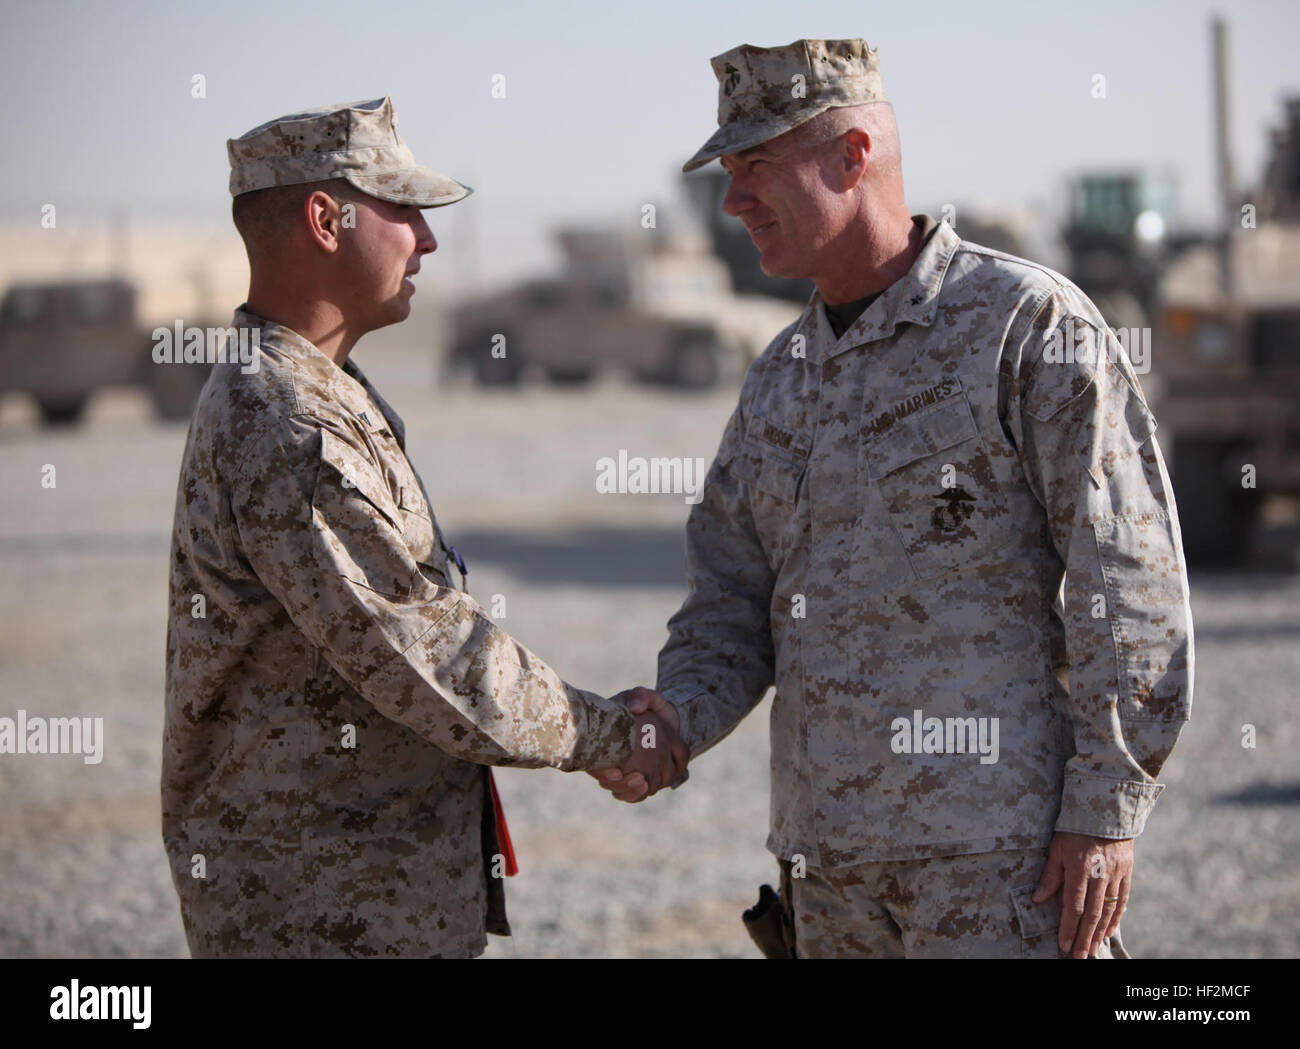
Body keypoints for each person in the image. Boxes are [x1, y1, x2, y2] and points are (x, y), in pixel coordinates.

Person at [591, 39, 1193, 959]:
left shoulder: (1025, 328)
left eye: (756, 166)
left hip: (1002, 869)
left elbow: (1127, 578)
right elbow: (730, 606)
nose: (733, 199)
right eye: (727, 172)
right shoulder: (779, 382)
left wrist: (1108, 809)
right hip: (829, 876)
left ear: (853, 156)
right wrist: (674, 718)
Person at [161, 97, 686, 958]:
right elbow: (423, 649)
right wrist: (613, 734)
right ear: (326, 220)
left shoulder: (321, 389)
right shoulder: (288, 419)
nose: (429, 241)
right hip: (317, 914)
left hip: (360, 902)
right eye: (404, 211)